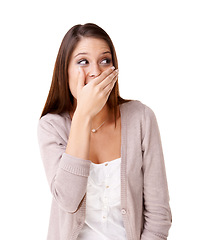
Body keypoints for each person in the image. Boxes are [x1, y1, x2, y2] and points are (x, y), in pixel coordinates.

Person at [37, 23, 172, 240]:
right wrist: (83, 115)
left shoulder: (141, 117)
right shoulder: (52, 126)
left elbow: (158, 215)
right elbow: (68, 200)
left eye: (105, 61)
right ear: (65, 71)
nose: (95, 72)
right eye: (83, 62)